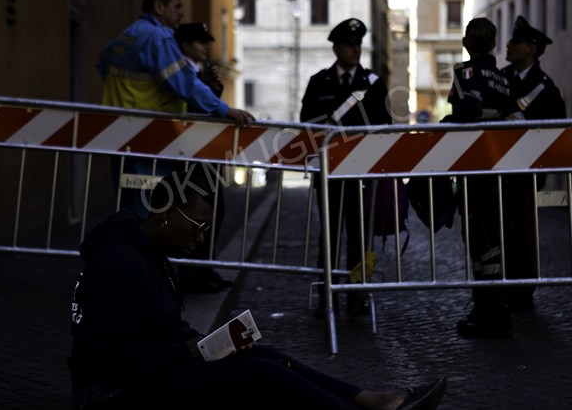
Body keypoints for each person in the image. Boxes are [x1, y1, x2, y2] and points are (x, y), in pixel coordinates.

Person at [68, 165, 447, 410]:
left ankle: (370, 400)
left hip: (152, 371)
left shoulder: (151, 256)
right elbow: (105, 357)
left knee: (266, 356)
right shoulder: (123, 265)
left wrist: (211, 343)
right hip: (114, 394)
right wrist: (187, 351)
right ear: (168, 214)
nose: (202, 238)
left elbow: (165, 329)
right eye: (198, 227)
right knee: (267, 377)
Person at [97, 0, 254, 220]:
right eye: (177, 6)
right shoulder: (159, 38)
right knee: (148, 205)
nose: (182, 13)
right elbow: (184, 83)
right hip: (148, 135)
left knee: (127, 202)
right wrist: (224, 110)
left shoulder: (128, 34)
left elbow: (102, 64)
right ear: (159, 7)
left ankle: (128, 250)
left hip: (120, 133)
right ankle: (140, 254)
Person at [300, 18, 392, 318]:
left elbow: (385, 126)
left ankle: (357, 293)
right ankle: (327, 295)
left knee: (359, 236)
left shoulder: (373, 84)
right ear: (337, 47)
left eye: (358, 45)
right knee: (328, 236)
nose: (356, 50)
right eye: (350, 45)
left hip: (361, 175)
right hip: (329, 174)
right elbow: (307, 124)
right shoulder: (319, 82)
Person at [443, 17, 517, 339]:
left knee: (478, 235)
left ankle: (490, 309)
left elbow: (468, 111)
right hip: (498, 164)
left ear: (465, 43)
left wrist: (447, 121)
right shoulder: (503, 78)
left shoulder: (465, 72)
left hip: (474, 165)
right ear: (494, 44)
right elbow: (516, 117)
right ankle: (490, 304)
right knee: (493, 234)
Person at [500, 16, 567, 313]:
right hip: (496, 168)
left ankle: (523, 289)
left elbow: (556, 128)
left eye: (515, 42)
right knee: (500, 231)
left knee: (522, 231)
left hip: (526, 170)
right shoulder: (501, 78)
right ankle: (500, 286)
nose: (509, 45)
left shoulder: (544, 88)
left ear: (531, 48)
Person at [173, 22, 233, 294]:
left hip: (203, 151)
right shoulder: (183, 72)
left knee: (215, 209)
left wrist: (216, 91)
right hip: (187, 152)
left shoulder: (200, 72)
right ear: (186, 45)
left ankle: (203, 266)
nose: (207, 46)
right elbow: (194, 106)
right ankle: (192, 271)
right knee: (197, 212)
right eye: (200, 42)